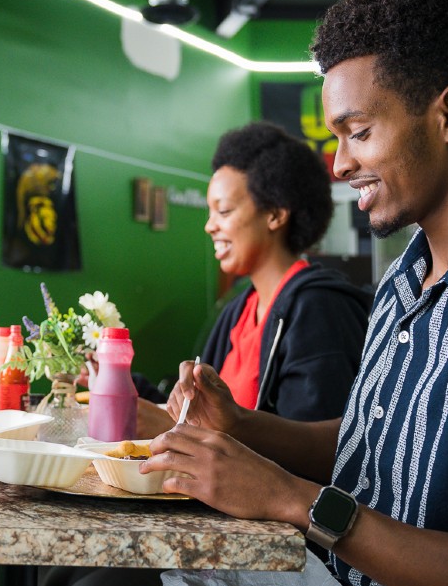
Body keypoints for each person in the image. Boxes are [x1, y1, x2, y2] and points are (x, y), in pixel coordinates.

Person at [145, 0, 448, 586]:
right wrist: (243, 427)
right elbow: (377, 445)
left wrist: (294, 499)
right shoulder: (405, 277)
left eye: (358, 133)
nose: (339, 164)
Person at [128, 123, 372, 439]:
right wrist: (122, 380)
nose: (209, 227)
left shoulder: (318, 309)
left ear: (275, 214)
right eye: (210, 212)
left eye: (224, 211)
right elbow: (202, 420)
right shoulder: (240, 309)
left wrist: (176, 432)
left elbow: (318, 454)